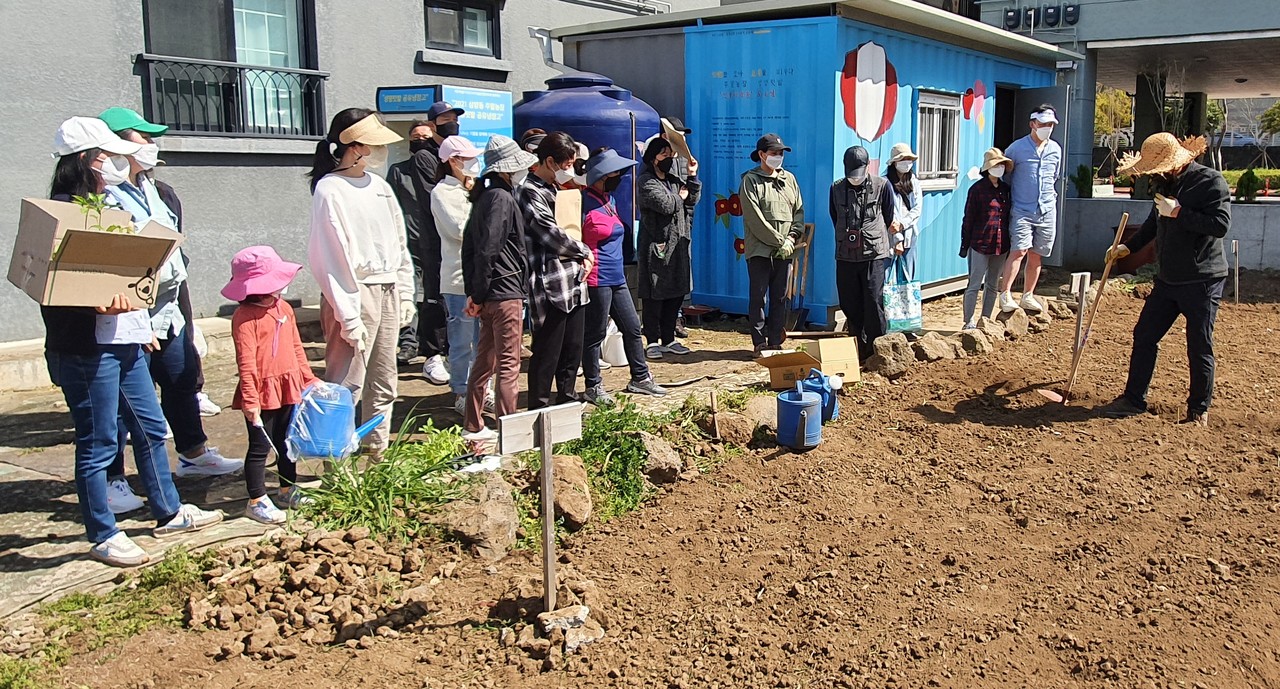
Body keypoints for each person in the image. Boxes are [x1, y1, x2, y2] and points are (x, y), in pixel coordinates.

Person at [45, 117, 222, 567]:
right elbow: (56, 289)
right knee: (100, 440)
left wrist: (137, 327)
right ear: (86, 160)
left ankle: (168, 510)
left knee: (149, 427)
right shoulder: (62, 212)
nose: (114, 161)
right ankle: (103, 533)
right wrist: (95, 305)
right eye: (105, 154)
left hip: (127, 340)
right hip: (88, 350)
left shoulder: (109, 206)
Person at [99, 107, 242, 491]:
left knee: (182, 381)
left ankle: (193, 454)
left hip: (168, 305)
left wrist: (186, 312)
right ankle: (114, 477)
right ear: (115, 143)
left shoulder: (157, 189)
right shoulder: (102, 194)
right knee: (124, 401)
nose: (151, 144)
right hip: (128, 311)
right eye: (142, 137)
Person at [1100, 134, 1228, 427]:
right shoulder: (1165, 184)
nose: (1153, 174)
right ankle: (1133, 399)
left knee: (1198, 344)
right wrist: (1127, 248)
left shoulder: (1210, 183)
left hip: (1202, 280)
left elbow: (1219, 225)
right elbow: (1153, 224)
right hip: (1168, 277)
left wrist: (1180, 212)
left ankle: (1198, 410)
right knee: (1145, 335)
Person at [307, 108, 415, 456]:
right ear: (353, 147)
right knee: (346, 384)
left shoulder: (380, 186)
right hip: (353, 292)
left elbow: (399, 243)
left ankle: (377, 454)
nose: (376, 152)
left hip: (387, 288)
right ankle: (334, 462)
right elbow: (331, 256)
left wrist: (405, 291)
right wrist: (348, 314)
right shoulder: (330, 189)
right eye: (370, 144)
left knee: (384, 381)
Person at [223, 247, 319, 523]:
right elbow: (247, 362)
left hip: (288, 385)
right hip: (262, 391)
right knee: (260, 447)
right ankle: (256, 500)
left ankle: (287, 489)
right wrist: (250, 401)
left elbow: (296, 347)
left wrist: (308, 378)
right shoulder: (244, 317)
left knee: (286, 441)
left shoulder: (284, 308)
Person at [461, 136, 537, 442]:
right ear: (510, 170)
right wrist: (478, 292)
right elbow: (489, 248)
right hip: (506, 293)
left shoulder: (484, 197)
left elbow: (470, 248)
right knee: (509, 364)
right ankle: (510, 431)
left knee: (485, 360)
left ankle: (473, 423)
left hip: (489, 294)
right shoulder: (503, 199)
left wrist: (475, 293)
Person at [580, 148, 669, 406]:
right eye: (615, 173)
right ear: (602, 175)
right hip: (597, 278)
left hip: (617, 277)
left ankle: (640, 378)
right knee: (594, 334)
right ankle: (593, 385)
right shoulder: (583, 202)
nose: (619, 177)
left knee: (631, 328)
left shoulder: (610, 200)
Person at [516, 131, 593, 410]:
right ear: (549, 161)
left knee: (572, 349)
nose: (568, 170)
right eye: (565, 164)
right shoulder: (528, 191)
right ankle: (538, 407)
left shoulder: (558, 189)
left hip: (574, 280)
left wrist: (582, 255)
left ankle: (568, 400)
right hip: (550, 283)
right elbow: (550, 235)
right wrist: (584, 251)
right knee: (547, 351)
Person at [431, 134, 492, 416]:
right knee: (462, 339)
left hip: (482, 276)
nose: (474, 163)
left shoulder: (476, 188)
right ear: (453, 161)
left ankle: (483, 389)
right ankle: (460, 390)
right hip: (457, 279)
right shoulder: (442, 192)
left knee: (485, 340)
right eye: (468, 158)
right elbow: (459, 229)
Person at [414, 102, 466, 384]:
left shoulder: (457, 153)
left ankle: (449, 352)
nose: (452, 123)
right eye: (446, 119)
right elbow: (432, 195)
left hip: (458, 246)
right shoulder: (425, 157)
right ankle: (431, 355)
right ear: (433, 124)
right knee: (434, 295)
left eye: (455, 118)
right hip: (436, 238)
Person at [637, 137, 701, 359]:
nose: (670, 159)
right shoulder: (646, 181)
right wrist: (679, 197)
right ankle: (652, 340)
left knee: (675, 293)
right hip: (657, 245)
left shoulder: (674, 179)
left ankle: (669, 339)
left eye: (671, 155)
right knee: (655, 295)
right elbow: (665, 205)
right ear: (653, 158)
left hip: (677, 246)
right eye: (664, 155)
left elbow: (690, 200)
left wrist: (692, 176)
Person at [740, 134, 803, 353]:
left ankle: (776, 340)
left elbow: (799, 213)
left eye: (781, 153)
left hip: (786, 250)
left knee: (779, 297)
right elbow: (754, 218)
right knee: (758, 297)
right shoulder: (750, 180)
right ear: (761, 155)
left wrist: (792, 238)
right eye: (774, 153)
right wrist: (779, 241)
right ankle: (759, 342)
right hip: (760, 250)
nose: (778, 157)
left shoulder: (789, 180)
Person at [830, 146, 894, 358]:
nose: (855, 178)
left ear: (867, 167)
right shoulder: (836, 188)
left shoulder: (882, 185)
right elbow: (835, 216)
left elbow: (888, 215)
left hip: (873, 255)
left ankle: (877, 351)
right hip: (846, 255)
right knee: (850, 302)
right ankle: (857, 349)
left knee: (873, 301)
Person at [999, 104, 1062, 314]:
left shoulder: (1055, 149)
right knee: (1019, 250)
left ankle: (1028, 295)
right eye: (1043, 124)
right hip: (1022, 209)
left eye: (1051, 125)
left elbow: (1054, 177)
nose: (1047, 128)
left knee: (1037, 254)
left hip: (1046, 209)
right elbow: (1006, 177)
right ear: (1032, 124)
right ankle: (1005, 294)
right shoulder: (1016, 148)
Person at [386, 118, 433, 364]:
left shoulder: (439, 170)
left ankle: (431, 343)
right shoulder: (398, 171)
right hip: (408, 242)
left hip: (435, 243)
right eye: (416, 139)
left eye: (426, 138)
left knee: (433, 295)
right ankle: (409, 342)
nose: (421, 143)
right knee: (411, 292)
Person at [960, 148, 1014, 328]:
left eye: (1001, 165)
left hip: (1001, 244)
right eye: (996, 164)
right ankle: (968, 322)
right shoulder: (976, 190)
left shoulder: (1006, 190)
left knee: (992, 285)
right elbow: (968, 218)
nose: (999, 168)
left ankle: (986, 320)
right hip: (979, 243)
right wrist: (964, 245)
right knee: (974, 284)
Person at [884, 143, 923, 281]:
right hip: (889, 235)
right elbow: (889, 211)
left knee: (908, 276)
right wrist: (897, 239)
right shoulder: (885, 182)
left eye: (909, 159)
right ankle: (887, 303)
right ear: (894, 163)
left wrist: (903, 224)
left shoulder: (913, 181)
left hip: (910, 233)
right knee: (887, 276)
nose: (907, 162)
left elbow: (917, 208)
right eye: (903, 159)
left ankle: (906, 302)